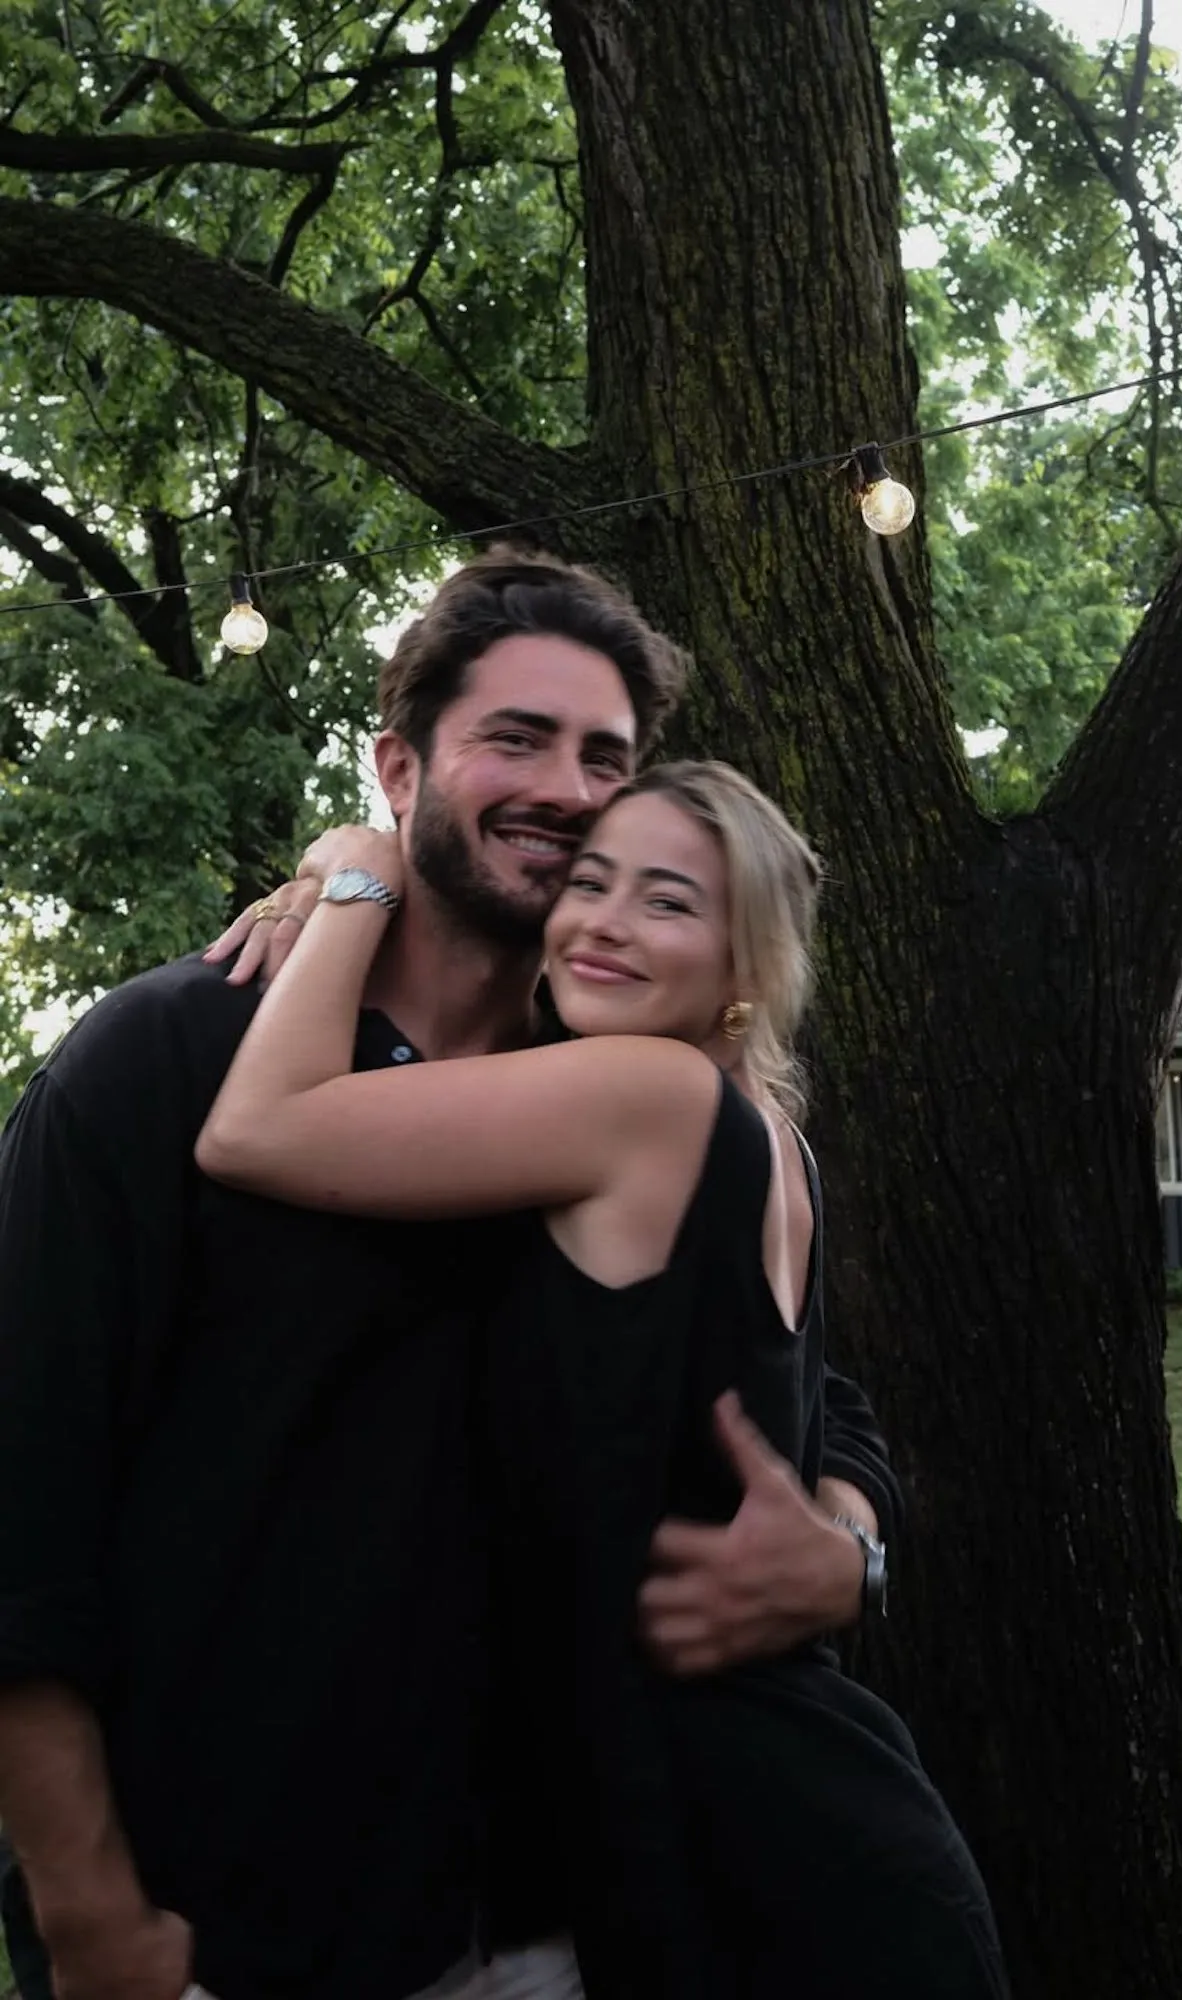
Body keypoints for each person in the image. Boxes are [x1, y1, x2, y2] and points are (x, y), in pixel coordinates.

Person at [0, 546, 900, 2000]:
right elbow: (21, 1506)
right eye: (516, 738)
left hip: (557, 1920)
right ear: (399, 768)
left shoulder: (601, 1090)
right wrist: (85, 1911)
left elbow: (806, 1392)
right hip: (224, 1928)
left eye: (605, 756)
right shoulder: (164, 1058)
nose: (566, 787)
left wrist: (848, 1546)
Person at [196, 760, 1009, 2000]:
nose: (602, 923)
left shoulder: (652, 1096)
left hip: (763, 1870)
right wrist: (854, 1540)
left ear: (746, 963)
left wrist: (358, 868)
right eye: (589, 881)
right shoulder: (763, 1133)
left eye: (667, 900)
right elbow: (827, 1406)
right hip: (743, 1831)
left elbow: (256, 1125)